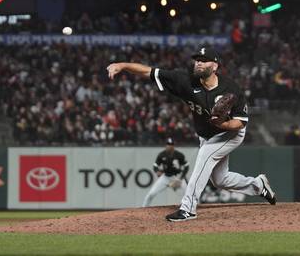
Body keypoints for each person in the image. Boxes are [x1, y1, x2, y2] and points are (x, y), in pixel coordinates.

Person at [107, 45, 276, 222]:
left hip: (231, 134)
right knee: (220, 180)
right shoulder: (184, 80)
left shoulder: (231, 89)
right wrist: (122, 65)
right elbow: (150, 72)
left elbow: (240, 122)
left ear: (215, 66)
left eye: (204, 61)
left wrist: (223, 123)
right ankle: (258, 185)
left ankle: (188, 209)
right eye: (197, 60)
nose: (199, 63)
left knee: (204, 156)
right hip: (206, 135)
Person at [142, 137, 189, 207]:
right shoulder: (162, 155)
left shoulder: (179, 155)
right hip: (165, 177)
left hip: (176, 177)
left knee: (187, 194)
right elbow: (155, 165)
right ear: (166, 145)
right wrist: (157, 171)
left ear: (174, 145)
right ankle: (143, 208)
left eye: (171, 144)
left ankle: (189, 208)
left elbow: (186, 166)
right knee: (151, 194)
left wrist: (181, 178)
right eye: (168, 144)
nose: (170, 146)